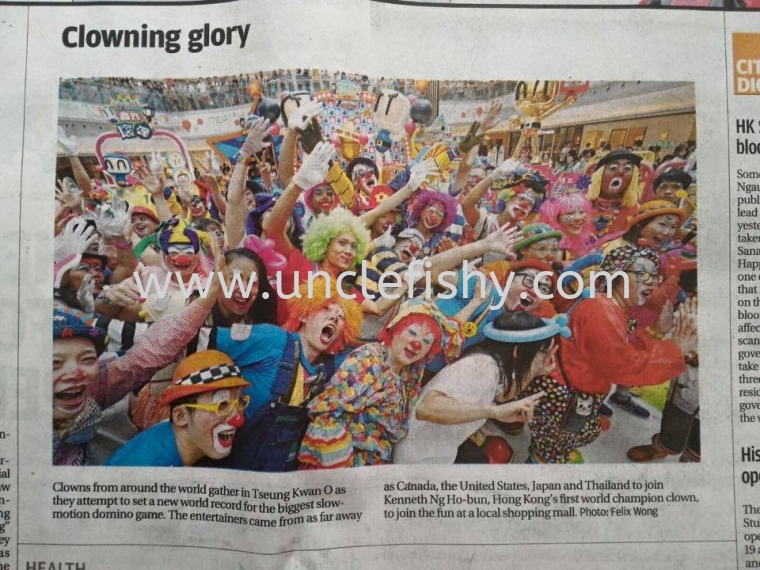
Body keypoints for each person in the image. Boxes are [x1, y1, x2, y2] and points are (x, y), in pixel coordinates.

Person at [523, 244, 698, 463]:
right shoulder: (602, 311)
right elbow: (627, 366)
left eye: (654, 275)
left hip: (571, 389)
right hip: (563, 397)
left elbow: (629, 343)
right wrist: (675, 348)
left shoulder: (610, 307)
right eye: (642, 273)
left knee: (567, 436)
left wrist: (663, 334)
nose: (652, 281)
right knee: (552, 449)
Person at [52, 283, 222, 465]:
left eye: (86, 359)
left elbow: (149, 353)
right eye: (55, 363)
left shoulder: (96, 386)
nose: (75, 374)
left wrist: (208, 297)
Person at [298, 299, 463, 468]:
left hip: (374, 468)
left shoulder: (411, 373)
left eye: (427, 341)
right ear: (395, 330)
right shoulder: (370, 357)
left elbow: (452, 342)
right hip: (340, 461)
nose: (417, 344)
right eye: (412, 332)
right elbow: (329, 410)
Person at [393, 311, 560, 464]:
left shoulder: (498, 364)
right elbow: (425, 408)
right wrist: (493, 412)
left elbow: (504, 395)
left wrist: (534, 371)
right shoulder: (480, 368)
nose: (546, 359)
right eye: (543, 353)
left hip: (441, 448)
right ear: (518, 352)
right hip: (418, 458)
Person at [106, 350, 250, 467]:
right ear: (181, 416)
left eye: (239, 402)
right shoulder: (158, 472)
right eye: (222, 405)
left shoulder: (173, 437)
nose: (238, 418)